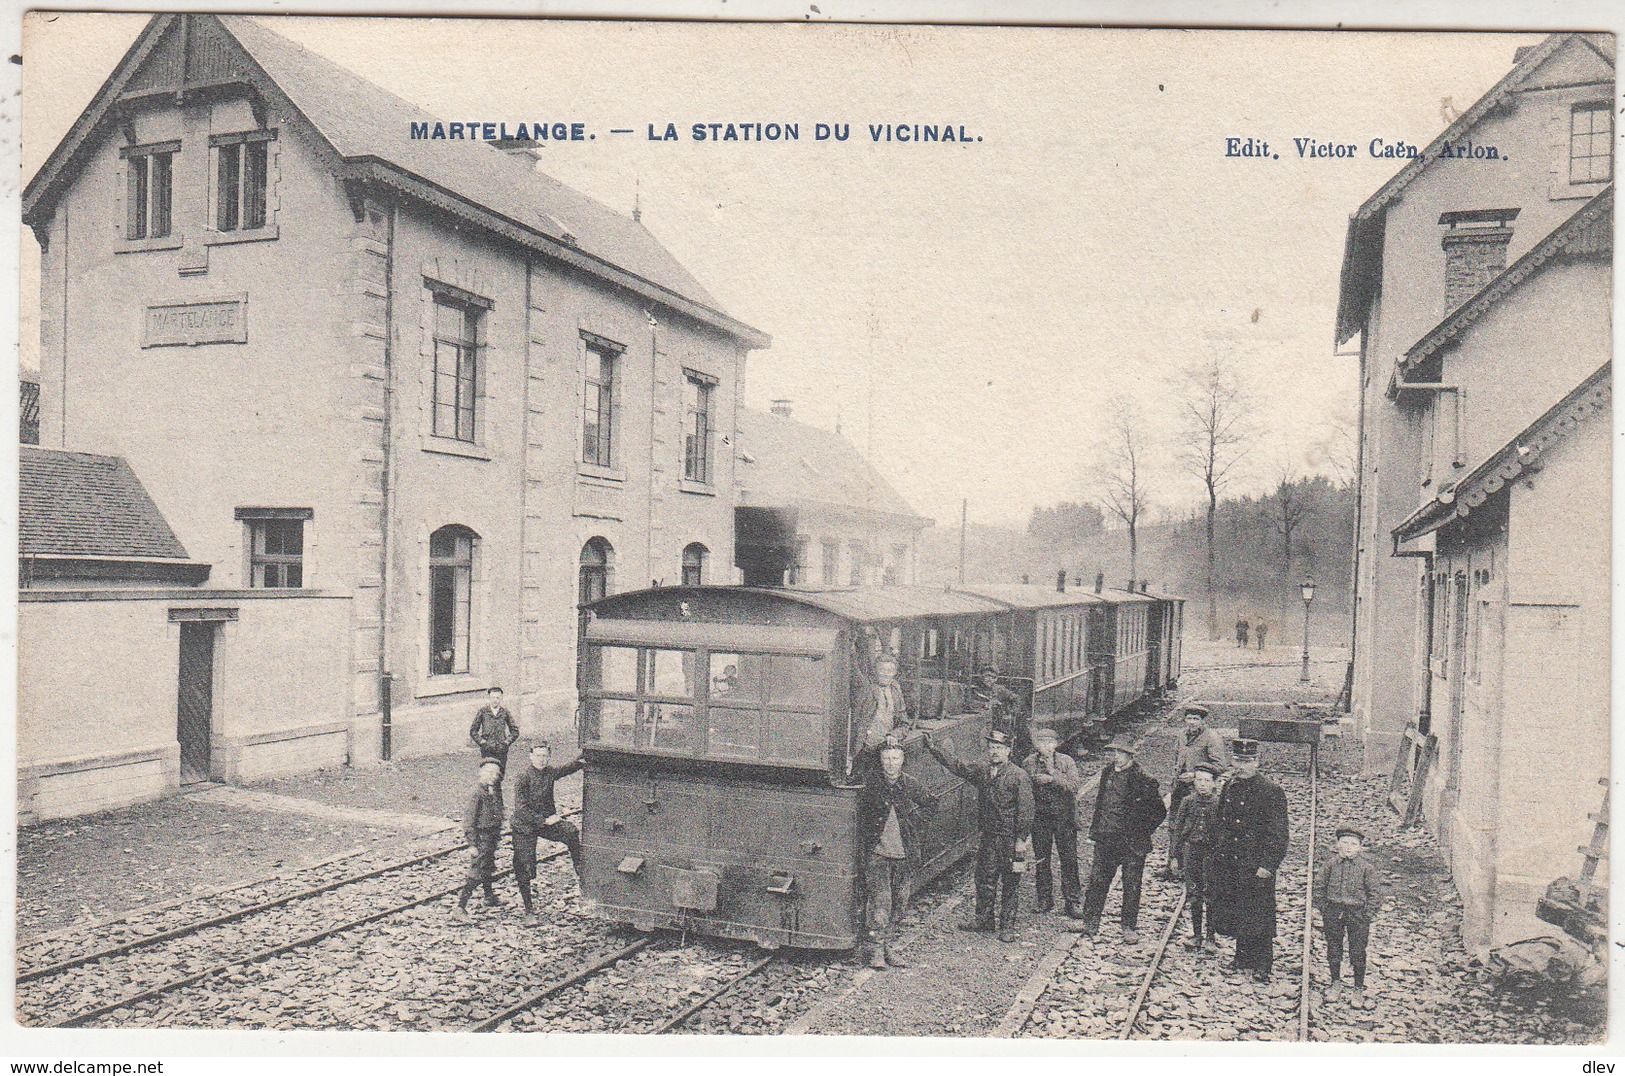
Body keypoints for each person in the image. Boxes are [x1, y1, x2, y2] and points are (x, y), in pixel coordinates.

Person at [926, 727, 1034, 943]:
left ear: (1008, 751)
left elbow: (1026, 811)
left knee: (1011, 882)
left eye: (999, 748)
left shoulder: (1019, 776)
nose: (994, 752)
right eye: (992, 747)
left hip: (1010, 839)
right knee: (984, 878)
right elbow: (959, 767)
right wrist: (934, 749)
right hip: (989, 836)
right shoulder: (983, 771)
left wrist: (1022, 841)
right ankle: (984, 920)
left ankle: (1007, 926)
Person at [1207, 738, 1290, 981]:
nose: (1241, 766)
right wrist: (1217, 853)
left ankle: (1263, 964)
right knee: (1238, 911)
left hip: (1255, 864)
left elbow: (1278, 833)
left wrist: (1268, 864)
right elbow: (1221, 821)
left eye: (1247, 761)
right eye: (1238, 761)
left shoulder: (1271, 791)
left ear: (1257, 762)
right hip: (1231, 860)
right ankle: (1242, 958)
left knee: (1260, 914)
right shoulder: (1230, 786)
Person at [1072, 735, 1166, 943]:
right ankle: (1090, 923)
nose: (1116, 757)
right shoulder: (1107, 773)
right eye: (1114, 752)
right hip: (1106, 839)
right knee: (1097, 880)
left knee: (1131, 884)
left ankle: (1128, 926)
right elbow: (1101, 804)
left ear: (1130, 755)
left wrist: (1141, 832)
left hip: (1132, 843)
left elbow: (1159, 812)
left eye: (1120, 753)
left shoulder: (1144, 779)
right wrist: (1095, 831)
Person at [857, 737, 938, 968]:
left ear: (902, 761)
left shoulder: (910, 784)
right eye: (886, 759)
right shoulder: (871, 783)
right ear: (880, 762)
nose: (891, 763)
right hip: (878, 855)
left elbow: (932, 804)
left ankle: (886, 948)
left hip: (904, 855)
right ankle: (876, 953)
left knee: (900, 904)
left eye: (895, 759)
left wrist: (913, 823)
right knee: (880, 904)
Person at [511, 741, 585, 921]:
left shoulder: (550, 772)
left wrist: (583, 756)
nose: (542, 759)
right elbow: (521, 808)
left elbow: (567, 768)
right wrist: (543, 820)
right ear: (531, 756)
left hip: (546, 822)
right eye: (538, 755)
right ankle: (528, 910)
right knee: (525, 866)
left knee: (571, 832)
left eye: (545, 756)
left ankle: (581, 870)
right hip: (524, 825)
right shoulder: (523, 777)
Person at [1022, 728, 1084, 918]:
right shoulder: (1028, 763)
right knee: (1042, 861)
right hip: (1041, 818)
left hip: (1064, 818)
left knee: (1069, 860)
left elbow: (1073, 786)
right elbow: (1024, 790)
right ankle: (1044, 899)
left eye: (1049, 743)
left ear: (1056, 744)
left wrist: (1052, 776)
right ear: (1036, 745)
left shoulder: (1066, 761)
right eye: (1042, 743)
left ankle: (1072, 902)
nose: (1046, 747)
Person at [1314, 826, 1382, 993]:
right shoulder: (1330, 865)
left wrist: (1367, 914)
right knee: (1333, 947)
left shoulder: (1366, 868)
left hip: (1357, 914)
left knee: (1358, 950)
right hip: (1334, 911)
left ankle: (1358, 987)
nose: (1348, 847)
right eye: (1344, 842)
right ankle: (1335, 982)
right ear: (1337, 844)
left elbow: (1376, 894)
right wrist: (1324, 908)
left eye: (1353, 844)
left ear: (1359, 847)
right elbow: (1318, 887)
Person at [1169, 764, 1222, 951]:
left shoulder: (1219, 803)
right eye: (1199, 780)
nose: (1202, 785)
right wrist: (1174, 856)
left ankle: (1211, 937)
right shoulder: (1187, 801)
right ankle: (1197, 934)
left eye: (1207, 781)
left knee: (1212, 894)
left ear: (1214, 784)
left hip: (1211, 854)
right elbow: (1177, 830)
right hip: (1191, 852)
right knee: (1194, 893)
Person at [453, 759, 505, 921]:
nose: (493, 776)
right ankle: (460, 907)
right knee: (477, 871)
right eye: (489, 773)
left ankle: (489, 896)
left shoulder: (494, 790)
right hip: (482, 837)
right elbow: (469, 821)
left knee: (488, 866)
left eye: (495, 774)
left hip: (491, 836)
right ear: (481, 773)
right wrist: (472, 844)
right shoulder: (477, 793)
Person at [1169, 704, 1233, 822]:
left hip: (1200, 788)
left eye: (1196, 719)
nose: (1191, 722)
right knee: (1175, 819)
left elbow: (1220, 765)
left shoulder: (1211, 737)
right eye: (1189, 718)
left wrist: (1195, 774)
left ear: (1202, 721)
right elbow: (1177, 757)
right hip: (1180, 785)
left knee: (1196, 821)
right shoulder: (1182, 734)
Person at [856, 653, 910, 750]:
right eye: (882, 670)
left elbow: (904, 724)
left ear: (894, 673)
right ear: (875, 671)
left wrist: (894, 735)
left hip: (885, 747)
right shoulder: (866, 688)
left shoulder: (895, 691)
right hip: (864, 747)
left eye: (890, 671)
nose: (885, 674)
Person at [469, 686, 520, 775]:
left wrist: (506, 742)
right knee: (487, 775)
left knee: (499, 775)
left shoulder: (505, 712)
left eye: (497, 698)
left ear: (501, 699)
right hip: (487, 749)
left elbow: (515, 731)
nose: (495, 700)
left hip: (501, 749)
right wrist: (482, 742)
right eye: (493, 697)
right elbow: (473, 730)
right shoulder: (483, 711)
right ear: (489, 698)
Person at [974, 666, 1021, 738]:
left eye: (993, 677)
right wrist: (985, 704)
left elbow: (1016, 698)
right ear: (982, 677)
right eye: (987, 676)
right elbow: (970, 704)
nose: (990, 679)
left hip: (997, 724)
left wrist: (1012, 712)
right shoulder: (975, 689)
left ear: (996, 679)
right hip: (980, 722)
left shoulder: (1000, 689)